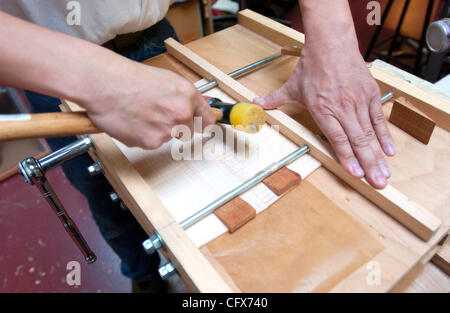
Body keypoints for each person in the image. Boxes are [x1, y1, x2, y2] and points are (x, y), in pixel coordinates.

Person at [0, 0, 395, 292]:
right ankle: (143, 278)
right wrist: (91, 76)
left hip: (154, 37)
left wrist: (334, 35)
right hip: (55, 73)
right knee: (109, 199)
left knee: (196, 181)